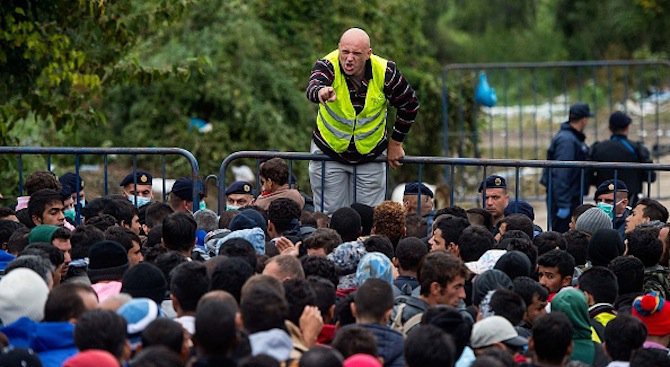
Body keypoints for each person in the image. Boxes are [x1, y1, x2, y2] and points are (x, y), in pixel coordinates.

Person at [306, 27, 419, 214]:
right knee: (329, 215)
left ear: (368, 54)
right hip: (329, 151)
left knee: (369, 216)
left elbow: (410, 104)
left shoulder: (385, 72)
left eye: (356, 54)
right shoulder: (327, 64)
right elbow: (313, 85)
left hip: (371, 154)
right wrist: (321, 92)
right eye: (345, 52)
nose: (349, 58)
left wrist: (396, 143)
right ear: (339, 49)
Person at [541, 103, 593, 233]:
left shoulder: (571, 137)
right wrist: (563, 204)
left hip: (567, 196)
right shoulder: (567, 140)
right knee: (564, 236)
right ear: (584, 119)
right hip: (564, 199)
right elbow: (561, 172)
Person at [590, 111, 656, 206]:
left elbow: (589, 174)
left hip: (604, 200)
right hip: (629, 200)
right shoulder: (636, 148)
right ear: (627, 127)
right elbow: (650, 176)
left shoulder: (598, 148)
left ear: (610, 128)